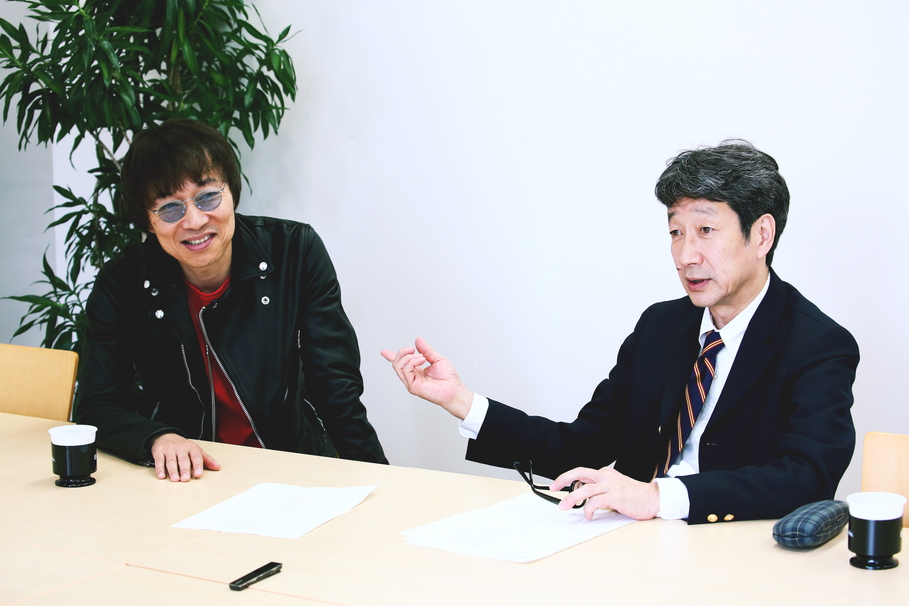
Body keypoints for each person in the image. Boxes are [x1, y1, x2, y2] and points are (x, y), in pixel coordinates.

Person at [382, 140, 858, 524]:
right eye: (675, 232)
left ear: (762, 235)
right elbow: (580, 446)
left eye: (706, 231)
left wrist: (657, 497)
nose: (685, 256)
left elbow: (807, 478)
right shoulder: (661, 327)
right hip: (627, 546)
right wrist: (461, 401)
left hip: (732, 559)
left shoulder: (818, 345)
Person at [75, 118, 387, 481]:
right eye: (170, 208)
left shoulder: (294, 251)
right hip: (188, 474)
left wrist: (380, 481)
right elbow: (97, 404)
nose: (195, 221)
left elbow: (335, 388)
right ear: (147, 221)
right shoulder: (122, 283)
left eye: (208, 196)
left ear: (232, 193)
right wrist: (157, 437)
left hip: (288, 464)